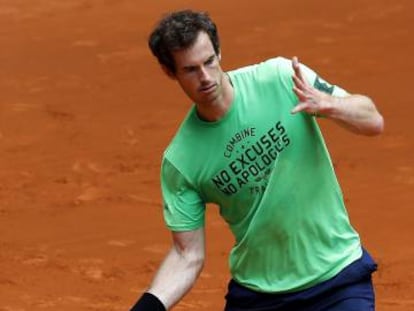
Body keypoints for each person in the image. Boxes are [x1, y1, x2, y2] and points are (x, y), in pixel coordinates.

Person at [130, 9, 384, 311]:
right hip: (258, 296)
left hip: (337, 278)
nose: (206, 77)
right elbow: (187, 256)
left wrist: (331, 104)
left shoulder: (279, 78)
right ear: (170, 72)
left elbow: (373, 122)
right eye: (190, 69)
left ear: (219, 51)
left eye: (209, 62)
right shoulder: (181, 160)